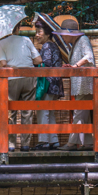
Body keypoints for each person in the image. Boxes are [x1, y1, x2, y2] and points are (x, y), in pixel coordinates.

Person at [0, 21, 43, 152]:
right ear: (18, 28)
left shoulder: (1, 43)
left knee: (10, 112)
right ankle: (25, 145)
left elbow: (3, 64)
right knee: (27, 112)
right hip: (28, 77)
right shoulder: (26, 40)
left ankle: (10, 145)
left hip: (11, 79)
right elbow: (38, 60)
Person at [55, 19, 96, 151]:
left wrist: (76, 65)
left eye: (63, 34)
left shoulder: (83, 40)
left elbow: (89, 56)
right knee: (85, 114)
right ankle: (88, 142)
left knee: (79, 113)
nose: (62, 37)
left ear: (69, 33)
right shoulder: (76, 43)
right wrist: (72, 66)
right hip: (82, 84)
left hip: (84, 84)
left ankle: (72, 143)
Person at [33, 20, 65, 150]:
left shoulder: (46, 46)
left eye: (39, 32)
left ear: (47, 34)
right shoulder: (53, 46)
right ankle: (53, 140)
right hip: (56, 83)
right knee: (50, 112)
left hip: (47, 83)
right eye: (36, 32)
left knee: (43, 111)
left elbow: (45, 65)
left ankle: (43, 141)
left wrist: (35, 63)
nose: (37, 35)